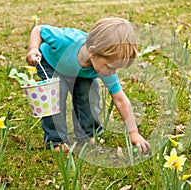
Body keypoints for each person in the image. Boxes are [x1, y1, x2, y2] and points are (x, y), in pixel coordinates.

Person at [26, 17, 150, 153]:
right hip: (52, 64)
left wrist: (133, 132)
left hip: (82, 73)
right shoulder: (65, 40)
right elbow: (39, 30)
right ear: (92, 52)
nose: (112, 72)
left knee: (89, 96)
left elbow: (120, 99)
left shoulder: (104, 65)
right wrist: (33, 49)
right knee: (55, 97)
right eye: (109, 67)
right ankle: (56, 140)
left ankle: (87, 134)